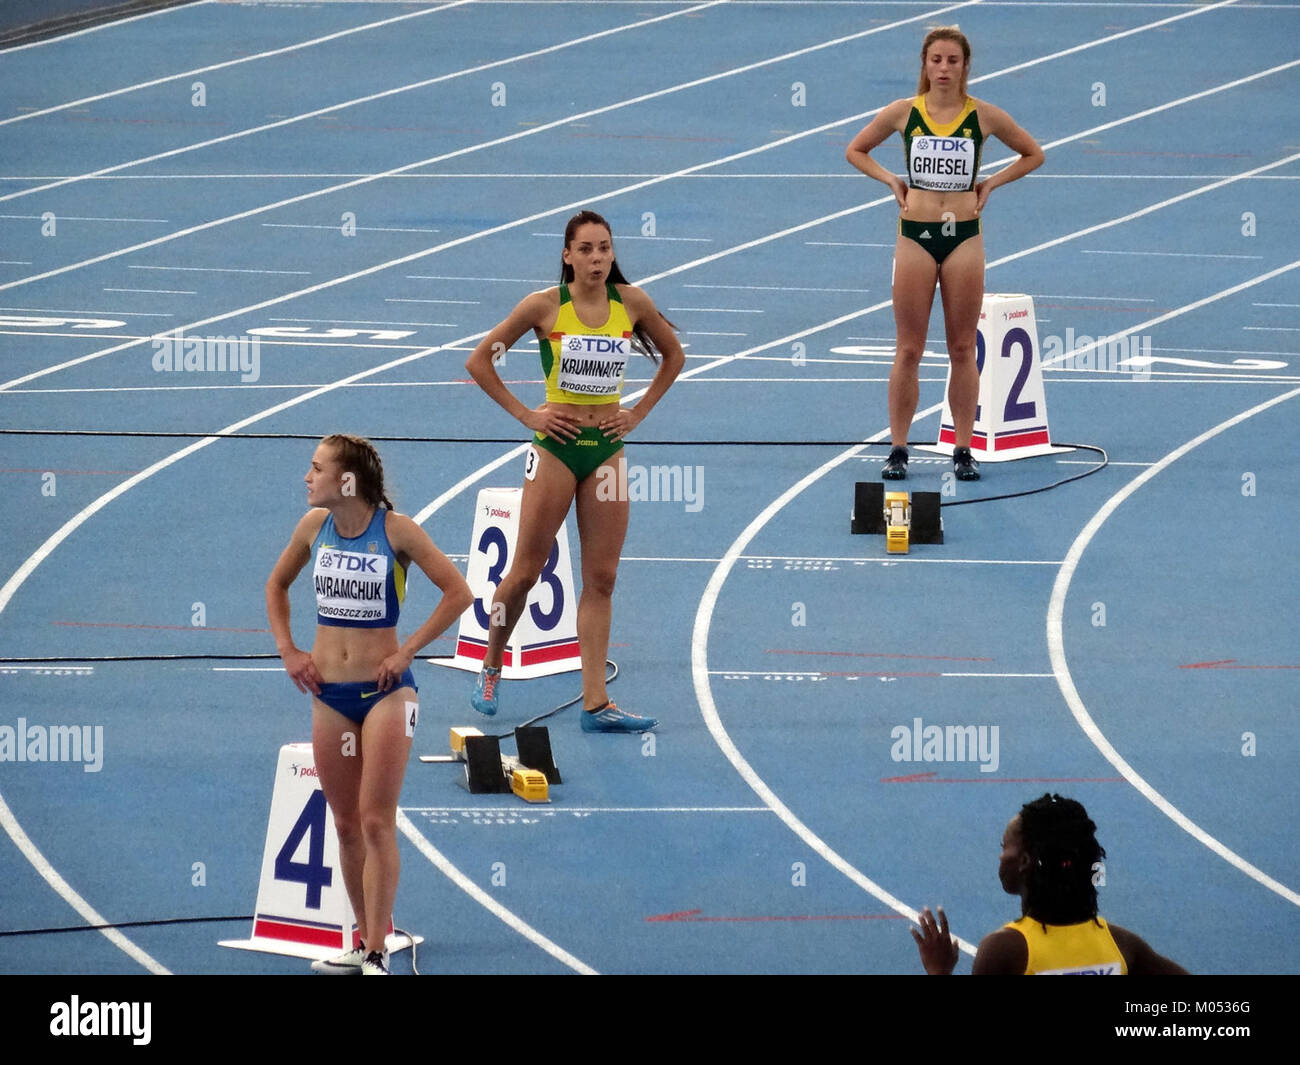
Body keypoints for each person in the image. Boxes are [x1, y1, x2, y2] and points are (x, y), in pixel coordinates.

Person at [463, 209, 684, 733]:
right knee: (525, 570)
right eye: (585, 249)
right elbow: (480, 360)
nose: (597, 258)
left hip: (604, 450)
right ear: (567, 255)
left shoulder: (631, 304)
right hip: (557, 449)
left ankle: (595, 702)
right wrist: (528, 414)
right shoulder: (543, 307)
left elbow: (673, 357)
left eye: (604, 248)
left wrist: (637, 412)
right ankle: (491, 665)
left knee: (602, 577)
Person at [266, 434, 472, 975]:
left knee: (376, 820)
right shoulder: (313, 529)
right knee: (345, 824)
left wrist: (406, 650)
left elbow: (459, 593)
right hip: (328, 695)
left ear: (347, 480)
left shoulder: (396, 532)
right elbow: (276, 585)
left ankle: (379, 953)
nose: (306, 479)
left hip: (385, 694)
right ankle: (363, 940)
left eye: (316, 469)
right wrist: (289, 650)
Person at [846, 25, 1044, 482]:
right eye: (936, 60)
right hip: (915, 233)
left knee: (961, 347)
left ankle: (963, 448)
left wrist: (991, 182)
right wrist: (890, 180)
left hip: (965, 238)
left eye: (952, 61)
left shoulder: (984, 116)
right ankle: (898, 447)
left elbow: (1033, 153)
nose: (943, 69)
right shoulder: (903, 112)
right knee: (909, 349)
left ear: (965, 66)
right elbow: (856, 149)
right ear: (924, 65)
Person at [912, 794, 1189, 974]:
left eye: (1004, 846)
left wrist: (939, 969)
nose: (1000, 855)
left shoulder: (1005, 951)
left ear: (1023, 862)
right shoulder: (1122, 945)